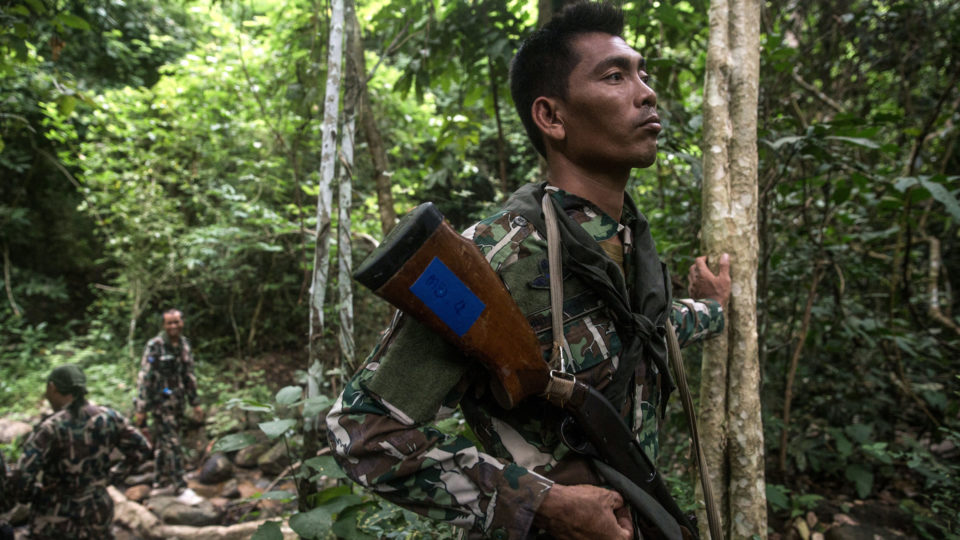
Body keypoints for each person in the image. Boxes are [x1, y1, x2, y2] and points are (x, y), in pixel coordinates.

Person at [326, 2, 732, 539]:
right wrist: (542, 504)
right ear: (552, 117)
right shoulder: (494, 258)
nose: (646, 91)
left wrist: (715, 308)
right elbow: (361, 432)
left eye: (642, 73)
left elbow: (647, 331)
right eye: (615, 76)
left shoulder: (628, 243)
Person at [12, 364, 152, 539]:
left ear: (52, 388)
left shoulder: (50, 428)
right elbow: (142, 448)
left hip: (55, 517)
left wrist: (34, 494)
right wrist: (112, 477)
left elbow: (22, 477)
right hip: (97, 513)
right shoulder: (110, 418)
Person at [134, 308, 203, 495]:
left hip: (178, 403)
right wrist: (141, 408)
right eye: (169, 323)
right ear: (164, 325)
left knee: (165, 443)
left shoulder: (184, 344)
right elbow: (145, 377)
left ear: (182, 323)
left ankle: (159, 481)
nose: (173, 326)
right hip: (160, 403)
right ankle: (181, 485)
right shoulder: (155, 345)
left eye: (176, 322)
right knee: (172, 442)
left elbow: (189, 375)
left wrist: (195, 402)